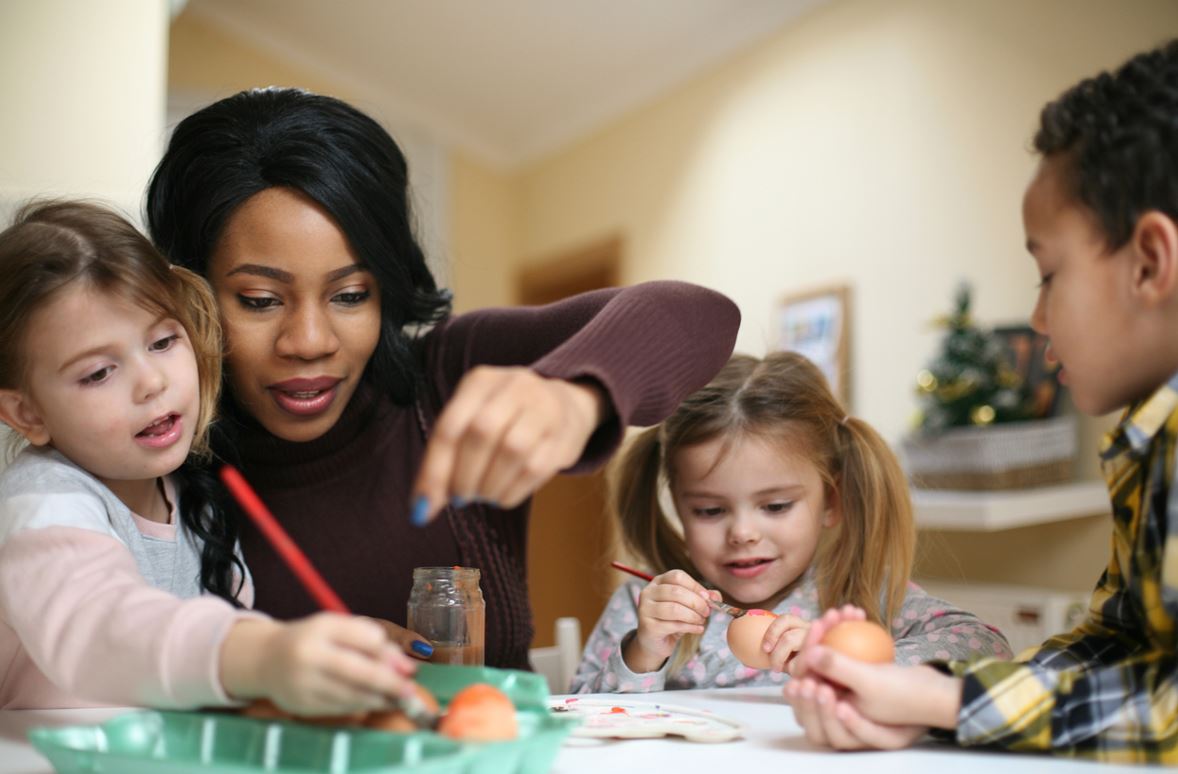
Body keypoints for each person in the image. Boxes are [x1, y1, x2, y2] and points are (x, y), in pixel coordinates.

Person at [145, 87, 741, 670]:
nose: (309, 342)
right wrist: (277, 664)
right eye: (259, 299)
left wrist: (574, 394)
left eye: (351, 294)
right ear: (187, 293)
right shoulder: (152, 457)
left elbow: (701, 315)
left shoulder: (449, 374)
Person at [784, 40, 1178, 763]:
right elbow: (1115, 648)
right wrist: (935, 696)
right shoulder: (1149, 441)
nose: (1037, 319)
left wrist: (947, 703)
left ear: (1150, 262)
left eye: (1048, 273)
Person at [0, 200, 419, 712]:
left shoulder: (195, 497)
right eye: (98, 373)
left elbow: (190, 669)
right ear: (26, 413)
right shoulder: (42, 506)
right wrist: (262, 654)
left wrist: (322, 657)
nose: (152, 382)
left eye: (162, 341)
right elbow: (109, 628)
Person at [572, 352, 1011, 693]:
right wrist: (643, 653)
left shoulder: (856, 596)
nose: (743, 533)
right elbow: (578, 716)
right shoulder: (647, 608)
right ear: (679, 508)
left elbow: (987, 647)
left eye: (776, 506)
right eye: (709, 511)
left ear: (830, 502)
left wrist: (843, 655)